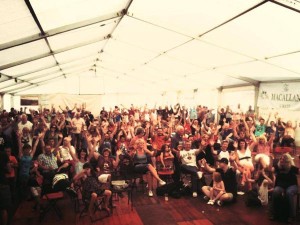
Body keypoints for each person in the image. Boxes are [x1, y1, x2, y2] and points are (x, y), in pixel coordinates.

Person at [269, 153, 299, 223]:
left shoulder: (292, 168)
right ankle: (274, 213)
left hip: (292, 186)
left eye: (284, 159)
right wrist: (271, 160)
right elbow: (271, 170)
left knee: (289, 192)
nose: (282, 160)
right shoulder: (278, 167)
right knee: (276, 191)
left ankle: (292, 216)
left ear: (288, 161)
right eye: (281, 159)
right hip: (280, 186)